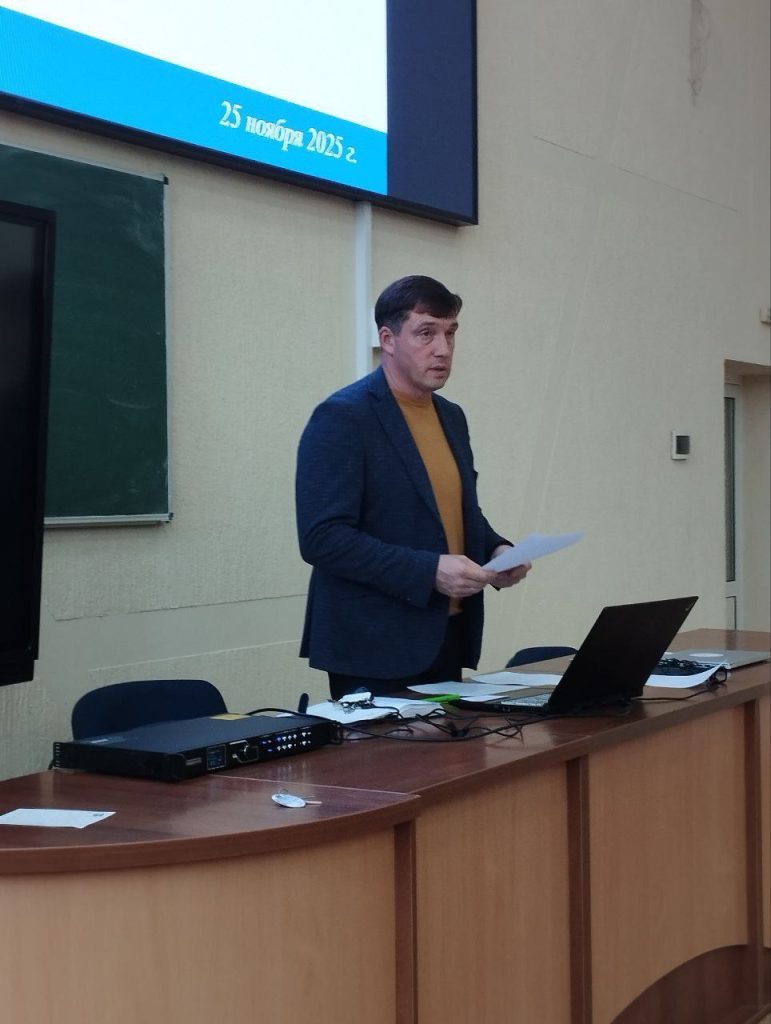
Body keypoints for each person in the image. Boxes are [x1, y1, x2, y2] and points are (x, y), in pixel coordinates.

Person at [295, 275, 530, 698]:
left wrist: (497, 551)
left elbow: (454, 511)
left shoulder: (451, 417)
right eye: (426, 333)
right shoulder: (343, 417)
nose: (443, 348)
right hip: (374, 647)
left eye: (450, 333)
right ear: (388, 339)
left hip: (447, 636)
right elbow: (322, 539)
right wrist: (429, 571)